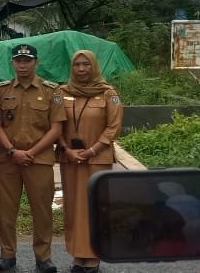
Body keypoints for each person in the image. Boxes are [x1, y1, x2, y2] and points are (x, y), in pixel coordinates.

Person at [0, 44, 64, 273]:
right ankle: (7, 255)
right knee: (6, 211)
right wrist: (12, 151)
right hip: (8, 159)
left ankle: (43, 257)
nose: (22, 65)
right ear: (12, 62)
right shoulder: (0, 91)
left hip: (39, 160)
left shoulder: (52, 91)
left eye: (27, 60)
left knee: (42, 211)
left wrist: (31, 153)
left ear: (36, 62)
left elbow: (56, 129)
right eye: (18, 60)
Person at [57, 50, 123, 273]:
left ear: (93, 66)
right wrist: (66, 149)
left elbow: (113, 127)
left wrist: (92, 150)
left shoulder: (108, 93)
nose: (81, 69)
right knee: (73, 207)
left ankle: (94, 255)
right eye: (77, 65)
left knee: (95, 207)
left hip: (97, 160)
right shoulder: (61, 93)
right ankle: (78, 255)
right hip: (70, 159)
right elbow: (54, 124)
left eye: (86, 64)